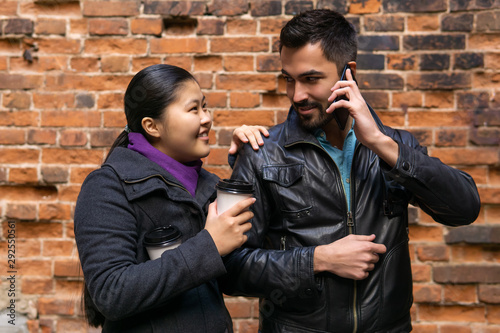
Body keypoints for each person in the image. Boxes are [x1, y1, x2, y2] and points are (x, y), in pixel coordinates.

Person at [222, 9, 481, 333]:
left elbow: (464, 209)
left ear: (349, 74)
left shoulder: (394, 146)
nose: (296, 94)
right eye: (289, 78)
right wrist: (319, 260)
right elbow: (229, 268)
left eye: (311, 79)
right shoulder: (263, 152)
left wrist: (380, 144)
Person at [74, 64, 267, 332]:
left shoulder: (207, 185)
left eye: (205, 106)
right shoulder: (107, 186)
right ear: (152, 126)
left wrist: (250, 163)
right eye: (193, 109)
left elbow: (239, 272)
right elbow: (111, 293)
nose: (207, 118)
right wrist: (209, 245)